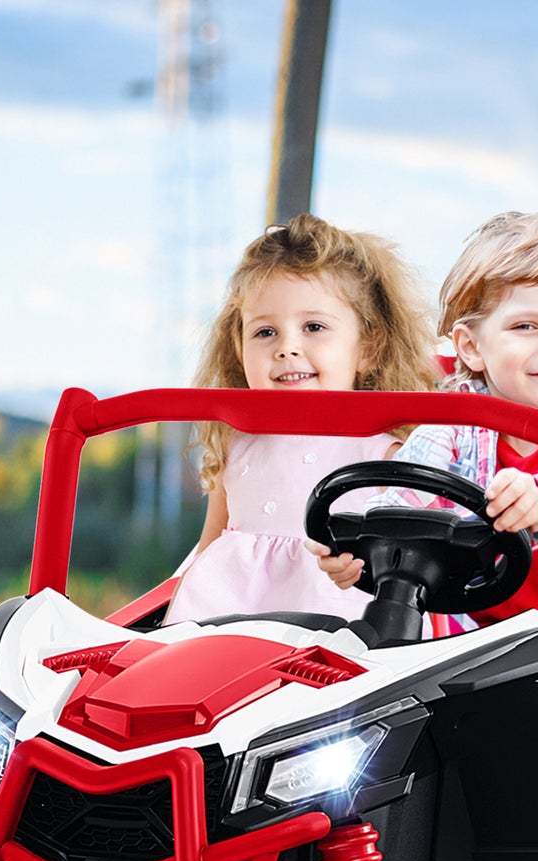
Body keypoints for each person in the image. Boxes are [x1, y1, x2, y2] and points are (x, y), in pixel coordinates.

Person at [312, 211, 538, 656]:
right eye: (525, 326)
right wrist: (360, 551)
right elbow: (402, 502)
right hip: (466, 641)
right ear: (472, 347)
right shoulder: (453, 429)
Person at [163, 214, 436, 626]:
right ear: (238, 348)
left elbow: (409, 566)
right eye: (265, 332)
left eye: (313, 326)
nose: (287, 348)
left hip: (332, 629)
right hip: (221, 622)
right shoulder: (236, 442)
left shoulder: (384, 453)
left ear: (367, 348)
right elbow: (208, 547)